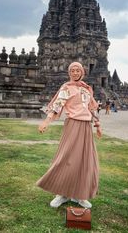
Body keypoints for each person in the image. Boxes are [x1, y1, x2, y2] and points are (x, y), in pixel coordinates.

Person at [37, 62, 102, 209]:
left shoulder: (86, 89)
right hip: (72, 125)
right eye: (72, 70)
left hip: (86, 127)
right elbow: (57, 106)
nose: (75, 73)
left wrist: (98, 126)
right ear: (69, 73)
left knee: (85, 161)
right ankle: (62, 194)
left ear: (82, 72)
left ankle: (80, 195)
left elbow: (92, 109)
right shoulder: (66, 88)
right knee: (67, 159)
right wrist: (46, 122)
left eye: (77, 70)